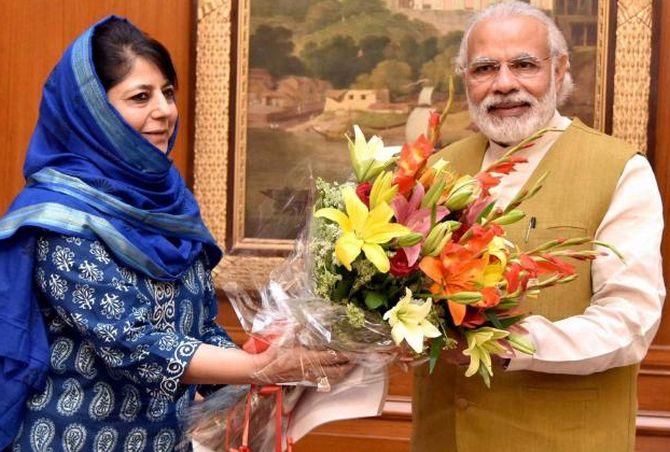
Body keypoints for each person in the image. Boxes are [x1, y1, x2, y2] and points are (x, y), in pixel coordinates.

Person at [0, 16, 349, 451]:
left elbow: (198, 328)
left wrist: (274, 361)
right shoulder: (61, 219)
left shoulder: (169, 206)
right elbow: (134, 345)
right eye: (140, 97)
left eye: (167, 93)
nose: (164, 111)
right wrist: (261, 368)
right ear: (92, 112)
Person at [413, 2, 665, 451]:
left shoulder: (619, 169)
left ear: (559, 69)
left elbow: (630, 323)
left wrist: (506, 345)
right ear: (465, 78)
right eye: (485, 68)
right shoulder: (436, 170)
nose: (504, 84)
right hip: (442, 436)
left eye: (525, 65)